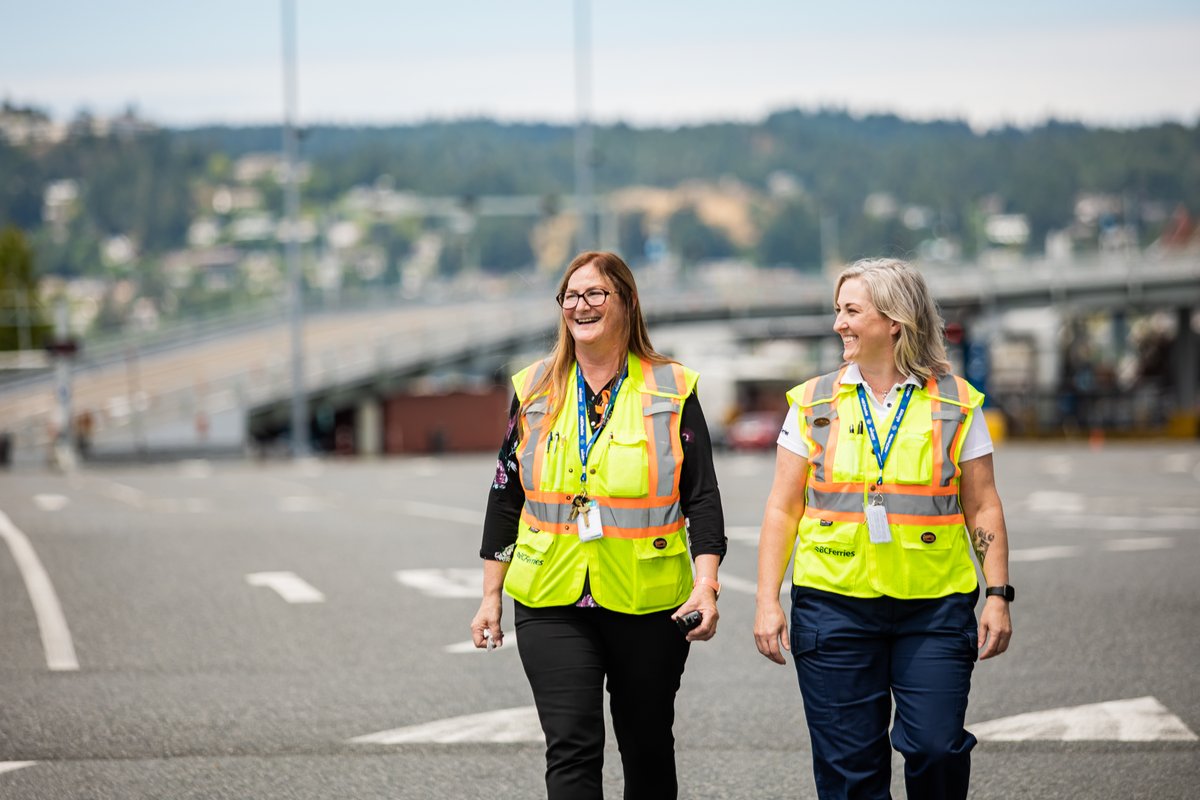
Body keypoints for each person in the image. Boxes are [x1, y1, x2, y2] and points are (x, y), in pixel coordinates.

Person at [754, 258, 1013, 800]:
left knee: (936, 748)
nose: (838, 324)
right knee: (850, 772)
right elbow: (782, 508)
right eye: (837, 310)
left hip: (935, 607)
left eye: (851, 311)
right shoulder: (812, 403)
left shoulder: (956, 402)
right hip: (833, 605)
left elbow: (983, 505)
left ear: (894, 320)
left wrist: (997, 595)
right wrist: (767, 600)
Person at [471, 250, 726, 799]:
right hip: (550, 597)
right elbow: (505, 494)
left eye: (594, 294)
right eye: (570, 295)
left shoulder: (672, 388)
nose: (579, 306)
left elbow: (702, 497)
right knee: (571, 746)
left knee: (647, 744)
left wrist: (706, 586)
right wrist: (490, 597)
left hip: (650, 601)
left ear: (627, 303)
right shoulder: (535, 387)